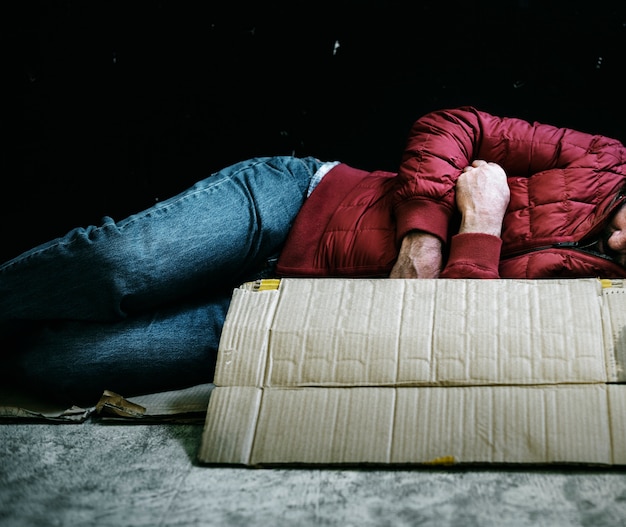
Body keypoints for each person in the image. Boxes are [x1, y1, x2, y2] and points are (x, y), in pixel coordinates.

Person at [2, 106, 626, 403]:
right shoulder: (603, 159)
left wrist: (483, 223)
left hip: (296, 324)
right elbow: (454, 126)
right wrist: (426, 235)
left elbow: (474, 343)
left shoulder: (613, 302)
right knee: (121, 263)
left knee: (56, 367)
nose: (621, 247)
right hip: (300, 201)